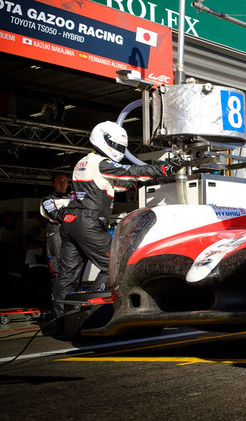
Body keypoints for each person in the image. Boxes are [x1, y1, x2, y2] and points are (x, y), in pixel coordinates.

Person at [52, 121, 181, 314]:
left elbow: (119, 185)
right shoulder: (101, 163)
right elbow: (130, 172)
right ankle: (92, 310)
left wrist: (143, 181)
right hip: (89, 222)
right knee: (114, 266)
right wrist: (163, 169)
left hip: (71, 222)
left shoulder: (84, 162)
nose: (119, 151)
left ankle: (63, 317)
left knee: (67, 275)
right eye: (118, 146)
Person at [40, 172, 72, 279]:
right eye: (59, 181)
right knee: (57, 268)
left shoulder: (73, 198)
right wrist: (72, 213)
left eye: (65, 181)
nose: (63, 183)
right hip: (56, 233)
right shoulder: (47, 200)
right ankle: (57, 295)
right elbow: (55, 215)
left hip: (72, 232)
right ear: (53, 184)